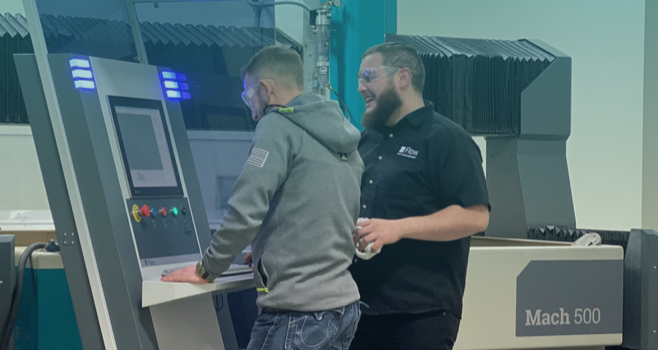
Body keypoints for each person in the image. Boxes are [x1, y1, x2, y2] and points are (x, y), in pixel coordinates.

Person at [163, 45, 363, 350]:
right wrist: (269, 247)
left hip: (298, 311)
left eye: (248, 96)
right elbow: (327, 209)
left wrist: (208, 268)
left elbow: (245, 209)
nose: (252, 109)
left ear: (266, 89)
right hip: (342, 308)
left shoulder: (277, 125)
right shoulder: (341, 134)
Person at [349, 42, 491, 350]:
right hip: (360, 308)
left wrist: (397, 228)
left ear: (402, 78)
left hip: (421, 314)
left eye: (369, 77)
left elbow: (476, 216)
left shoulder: (447, 139)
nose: (360, 87)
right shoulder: (365, 142)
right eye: (359, 79)